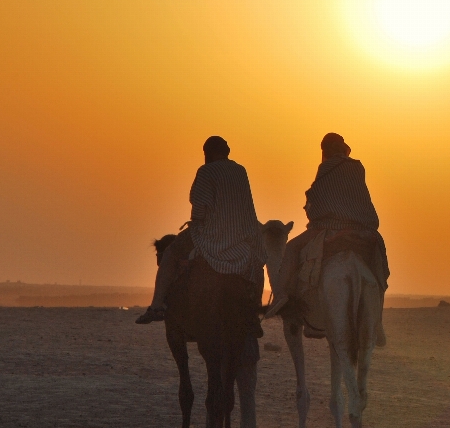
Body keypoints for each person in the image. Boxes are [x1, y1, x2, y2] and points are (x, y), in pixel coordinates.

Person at [136, 136, 267, 324]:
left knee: (171, 253)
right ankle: (254, 310)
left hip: (212, 236)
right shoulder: (240, 171)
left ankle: (156, 306)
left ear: (207, 153)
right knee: (258, 262)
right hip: (244, 236)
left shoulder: (206, 171)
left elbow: (199, 212)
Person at [269, 133, 388, 321]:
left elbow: (318, 195)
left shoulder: (325, 167)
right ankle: (377, 314)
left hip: (330, 226)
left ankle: (281, 296)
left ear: (325, 150)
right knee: (379, 260)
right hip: (362, 227)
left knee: (291, 248)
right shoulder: (358, 167)